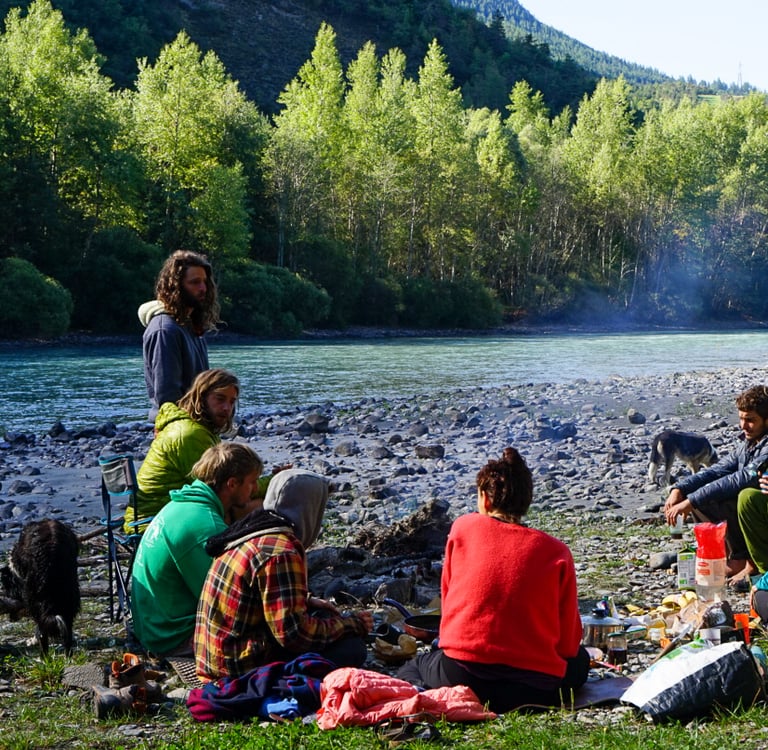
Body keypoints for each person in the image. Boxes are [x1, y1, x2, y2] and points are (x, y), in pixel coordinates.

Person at [396, 447, 589, 713]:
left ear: (485, 499)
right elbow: (568, 644)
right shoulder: (556, 551)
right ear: (526, 501)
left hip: (464, 676)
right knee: (580, 661)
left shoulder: (463, 528)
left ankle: (427, 696)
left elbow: (449, 602)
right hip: (534, 688)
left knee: (417, 665)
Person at [194, 468, 373, 683]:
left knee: (325, 619)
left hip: (216, 654)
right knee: (352, 649)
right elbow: (293, 636)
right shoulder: (281, 552)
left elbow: (258, 595)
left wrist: (305, 601)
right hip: (236, 669)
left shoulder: (251, 531)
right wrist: (350, 624)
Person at [130, 442, 264, 657]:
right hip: (172, 636)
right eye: (252, 482)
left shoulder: (183, 504)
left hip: (151, 625)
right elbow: (227, 602)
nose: (256, 489)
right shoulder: (206, 526)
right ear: (231, 484)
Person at [664, 385, 768, 581]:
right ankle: (730, 556)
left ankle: (750, 563)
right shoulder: (748, 443)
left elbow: (744, 478)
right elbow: (718, 470)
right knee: (700, 494)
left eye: (750, 421)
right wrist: (680, 489)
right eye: (741, 419)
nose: (743, 426)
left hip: (761, 512)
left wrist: (690, 502)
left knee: (743, 495)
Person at [124, 368, 248, 532]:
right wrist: (274, 482)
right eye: (220, 399)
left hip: (165, 512)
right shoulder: (189, 435)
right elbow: (219, 489)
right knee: (256, 506)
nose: (227, 408)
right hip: (153, 523)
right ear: (201, 397)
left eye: (232, 402)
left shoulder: (197, 428)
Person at [139, 250, 220, 422]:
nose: (203, 288)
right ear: (175, 286)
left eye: (205, 282)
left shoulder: (191, 326)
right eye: (195, 282)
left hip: (197, 425)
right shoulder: (165, 331)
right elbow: (167, 399)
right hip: (178, 429)